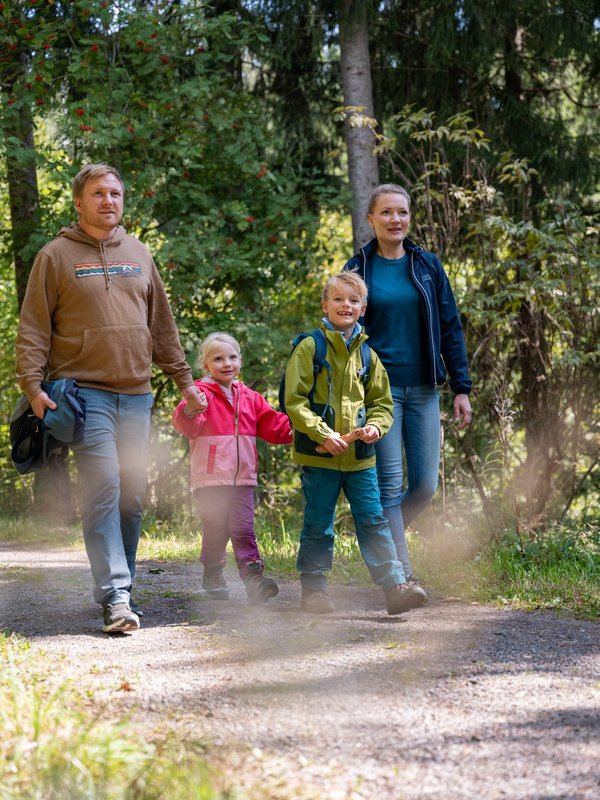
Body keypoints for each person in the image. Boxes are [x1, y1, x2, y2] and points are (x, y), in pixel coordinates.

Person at [15, 163, 206, 634]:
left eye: (115, 194)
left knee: (133, 496)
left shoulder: (138, 253)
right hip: (85, 395)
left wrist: (184, 381)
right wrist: (33, 388)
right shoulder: (55, 256)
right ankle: (116, 596)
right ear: (79, 202)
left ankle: (122, 585)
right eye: (98, 193)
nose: (108, 201)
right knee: (103, 488)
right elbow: (34, 328)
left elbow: (162, 325)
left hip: (137, 394)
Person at [343, 183, 472, 588]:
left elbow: (450, 326)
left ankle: (378, 537)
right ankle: (401, 577)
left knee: (424, 487)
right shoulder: (358, 268)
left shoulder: (427, 265)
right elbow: (343, 326)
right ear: (371, 219)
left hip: (424, 389)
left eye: (401, 212)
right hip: (378, 393)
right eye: (386, 212)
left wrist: (462, 387)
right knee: (389, 484)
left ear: (409, 218)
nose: (394, 219)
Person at [284, 272, 427, 615]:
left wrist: (376, 426)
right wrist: (323, 434)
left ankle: (395, 587)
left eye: (353, 300)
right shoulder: (310, 348)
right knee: (318, 524)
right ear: (325, 305)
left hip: (360, 459)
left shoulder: (368, 356)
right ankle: (314, 592)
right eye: (338, 299)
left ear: (362, 309)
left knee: (374, 521)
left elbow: (382, 403)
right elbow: (294, 401)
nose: (345, 305)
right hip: (320, 457)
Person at [173, 332, 292, 603]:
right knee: (216, 528)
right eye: (218, 359)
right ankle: (213, 572)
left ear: (240, 360)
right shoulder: (200, 394)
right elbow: (185, 425)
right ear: (206, 365)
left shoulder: (250, 397)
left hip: (243, 479)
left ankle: (254, 579)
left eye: (232, 357)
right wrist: (191, 408)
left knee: (243, 528)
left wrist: (304, 430)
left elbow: (274, 425)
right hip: (211, 479)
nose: (226, 363)